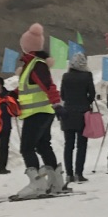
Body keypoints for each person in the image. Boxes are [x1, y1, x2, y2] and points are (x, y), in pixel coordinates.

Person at [13, 23, 65, 198]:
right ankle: (56, 182)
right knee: (43, 145)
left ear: (27, 46)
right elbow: (27, 89)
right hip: (43, 112)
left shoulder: (36, 64)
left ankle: (37, 184)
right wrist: (10, 96)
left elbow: (47, 85)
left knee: (27, 147)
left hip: (37, 113)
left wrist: (57, 104)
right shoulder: (32, 65)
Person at [60, 51, 97, 182]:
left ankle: (69, 174)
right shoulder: (87, 76)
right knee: (82, 144)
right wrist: (85, 101)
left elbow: (62, 95)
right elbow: (92, 94)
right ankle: (79, 173)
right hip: (83, 114)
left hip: (67, 113)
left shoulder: (65, 76)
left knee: (68, 145)